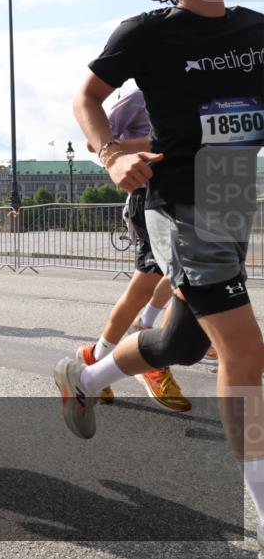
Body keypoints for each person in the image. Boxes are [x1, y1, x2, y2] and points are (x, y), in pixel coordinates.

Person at [51, 0, 264, 546]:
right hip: (179, 200)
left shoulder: (257, 28)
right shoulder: (146, 33)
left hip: (232, 197)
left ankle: (82, 377)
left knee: (181, 343)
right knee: (244, 350)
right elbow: (86, 99)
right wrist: (111, 154)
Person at [76, 89, 191, 410]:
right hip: (149, 196)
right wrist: (146, 146)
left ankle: (103, 356)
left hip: (188, 195)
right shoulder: (139, 96)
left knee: (180, 277)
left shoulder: (194, 85)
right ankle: (138, 353)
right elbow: (94, 141)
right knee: (147, 284)